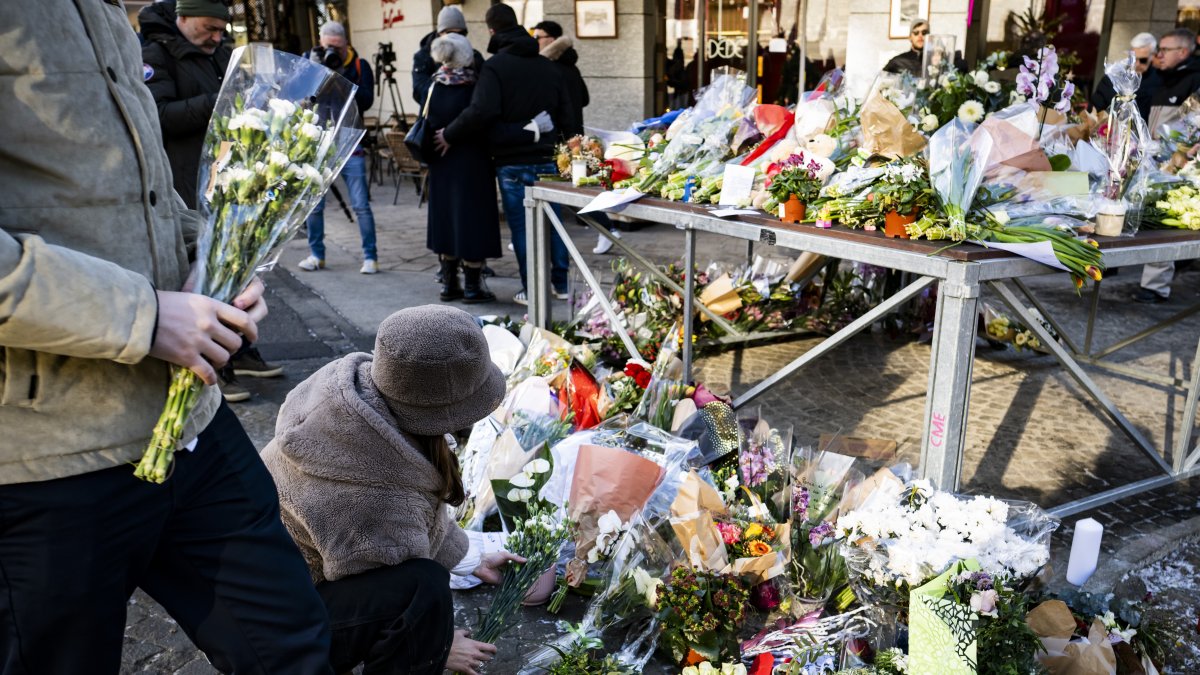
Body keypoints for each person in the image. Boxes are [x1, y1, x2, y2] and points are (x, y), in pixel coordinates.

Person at [0, 3, 332, 673]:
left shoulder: (104, 11)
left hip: (191, 426)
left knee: (292, 645)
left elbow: (142, 186)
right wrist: (143, 317)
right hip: (45, 450)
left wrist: (217, 259)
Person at [261, 306, 525, 675]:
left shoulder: (357, 407)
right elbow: (395, 580)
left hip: (264, 589)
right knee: (424, 592)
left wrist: (470, 559)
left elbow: (416, 514)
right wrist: (439, 644)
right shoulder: (371, 499)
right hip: (270, 631)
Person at [141, 0, 285, 401]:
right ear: (183, 18)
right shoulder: (156, 55)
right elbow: (157, 115)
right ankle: (218, 367)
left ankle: (241, 349)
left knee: (238, 269)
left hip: (229, 179)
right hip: (185, 180)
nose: (217, 37)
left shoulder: (220, 54)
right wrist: (219, 102)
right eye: (209, 28)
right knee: (204, 273)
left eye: (222, 31)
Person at [434, 3, 577, 306]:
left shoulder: (495, 66)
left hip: (512, 162)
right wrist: (567, 148)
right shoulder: (547, 66)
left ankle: (532, 289)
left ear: (491, 31)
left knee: (523, 230)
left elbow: (482, 111)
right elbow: (568, 113)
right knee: (555, 225)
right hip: (548, 158)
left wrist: (449, 134)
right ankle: (561, 284)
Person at [531, 20, 622, 255]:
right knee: (572, 189)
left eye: (538, 36)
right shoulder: (570, 66)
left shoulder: (550, 68)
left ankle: (608, 229)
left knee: (570, 191)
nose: (535, 40)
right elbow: (584, 98)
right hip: (572, 136)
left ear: (551, 39)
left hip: (560, 138)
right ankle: (607, 230)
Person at [423, 34, 502, 303]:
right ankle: (472, 287)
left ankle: (449, 284)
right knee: (472, 221)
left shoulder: (434, 85)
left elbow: (427, 121)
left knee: (446, 220)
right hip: (472, 162)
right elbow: (481, 120)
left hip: (441, 163)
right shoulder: (475, 86)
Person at [299, 21, 380, 275]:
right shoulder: (311, 60)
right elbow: (300, 98)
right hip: (319, 141)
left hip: (349, 141)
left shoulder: (359, 65)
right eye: (328, 47)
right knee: (314, 205)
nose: (333, 51)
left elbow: (366, 101)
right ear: (320, 44)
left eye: (338, 47)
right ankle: (317, 255)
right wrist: (313, 70)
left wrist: (342, 76)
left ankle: (371, 257)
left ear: (346, 43)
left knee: (361, 204)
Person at [1137, 27, 1200, 303]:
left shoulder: (1194, 80)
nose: (1158, 55)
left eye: (1165, 50)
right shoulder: (1161, 80)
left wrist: (1183, 155)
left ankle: (1154, 285)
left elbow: (1191, 125)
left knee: (1167, 217)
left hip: (1179, 163)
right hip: (1153, 158)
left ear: (1183, 52)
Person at [412, 5, 485, 110]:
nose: (455, 37)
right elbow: (419, 91)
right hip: (437, 113)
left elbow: (484, 89)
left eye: (460, 33)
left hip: (467, 114)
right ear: (440, 33)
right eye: (450, 33)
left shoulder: (473, 55)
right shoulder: (424, 57)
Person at [1089, 32, 1161, 120]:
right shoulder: (1113, 78)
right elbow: (1094, 109)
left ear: (1153, 56)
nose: (1137, 64)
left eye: (1143, 60)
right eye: (1132, 59)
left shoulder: (1160, 79)